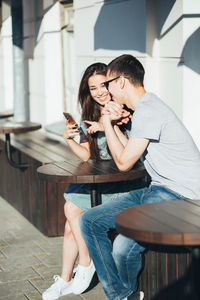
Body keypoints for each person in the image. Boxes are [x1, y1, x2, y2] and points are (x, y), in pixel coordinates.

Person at [79, 54, 200, 300]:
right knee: (89, 221)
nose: (106, 90)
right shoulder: (143, 108)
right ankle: (123, 295)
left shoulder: (149, 109)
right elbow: (128, 153)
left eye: (108, 84)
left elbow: (123, 164)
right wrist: (115, 125)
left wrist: (106, 121)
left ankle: (120, 295)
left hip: (182, 197)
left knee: (123, 248)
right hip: (158, 191)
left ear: (121, 81)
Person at [42, 62, 142, 300]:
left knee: (70, 208)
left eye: (102, 85)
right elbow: (87, 154)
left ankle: (85, 264)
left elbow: (129, 156)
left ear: (112, 83)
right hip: (102, 180)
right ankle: (65, 280)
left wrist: (112, 124)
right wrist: (69, 140)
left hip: (125, 182)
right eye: (93, 87)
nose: (99, 92)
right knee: (70, 223)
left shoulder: (124, 109)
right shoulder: (89, 112)